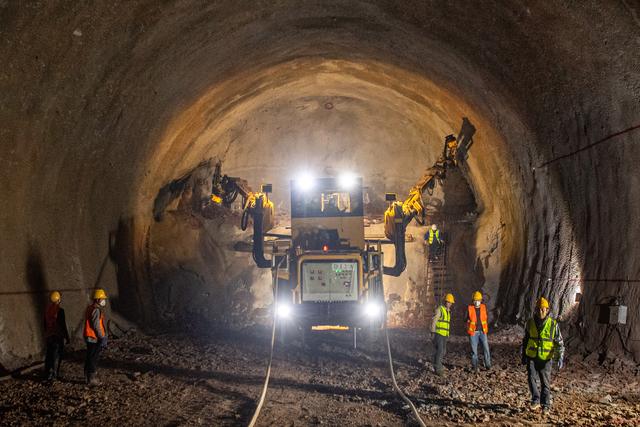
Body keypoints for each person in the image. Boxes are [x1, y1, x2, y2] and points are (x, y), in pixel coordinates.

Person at [522, 297, 565, 413]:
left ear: (547, 310)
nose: (541, 311)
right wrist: (523, 355)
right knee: (531, 379)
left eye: (543, 309)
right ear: (535, 310)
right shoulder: (530, 323)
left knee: (545, 382)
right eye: (539, 309)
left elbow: (559, 342)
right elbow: (525, 339)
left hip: (546, 358)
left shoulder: (553, 324)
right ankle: (535, 399)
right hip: (531, 355)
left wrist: (560, 356)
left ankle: (545, 404)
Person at [43, 291, 70, 381]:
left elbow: (44, 324)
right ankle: (54, 375)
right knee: (56, 356)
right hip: (57, 336)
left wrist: (46, 334)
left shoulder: (47, 310)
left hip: (49, 336)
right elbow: (63, 325)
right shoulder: (60, 311)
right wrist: (67, 337)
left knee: (49, 355)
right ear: (58, 299)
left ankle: (47, 374)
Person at [83, 288, 108, 386]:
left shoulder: (90, 308)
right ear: (97, 299)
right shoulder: (96, 310)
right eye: (102, 299)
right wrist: (102, 337)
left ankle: (87, 377)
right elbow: (96, 325)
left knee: (90, 357)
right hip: (94, 337)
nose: (103, 300)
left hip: (90, 336)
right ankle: (92, 379)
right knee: (93, 358)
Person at [467, 291, 491, 372]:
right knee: (474, 351)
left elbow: (486, 318)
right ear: (473, 301)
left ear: (481, 300)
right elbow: (466, 319)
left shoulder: (484, 307)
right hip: (473, 333)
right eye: (475, 300)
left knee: (486, 349)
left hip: (483, 332)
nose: (477, 302)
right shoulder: (469, 308)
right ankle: (475, 366)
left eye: (478, 300)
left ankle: (488, 365)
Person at [431, 293, 454, 375]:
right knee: (440, 350)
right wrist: (432, 332)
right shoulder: (440, 309)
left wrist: (447, 335)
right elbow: (434, 321)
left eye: (451, 303)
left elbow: (447, 324)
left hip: (444, 334)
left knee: (443, 351)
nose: (449, 304)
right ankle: (438, 369)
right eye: (448, 302)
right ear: (445, 301)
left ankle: (436, 362)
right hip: (438, 333)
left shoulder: (448, 312)